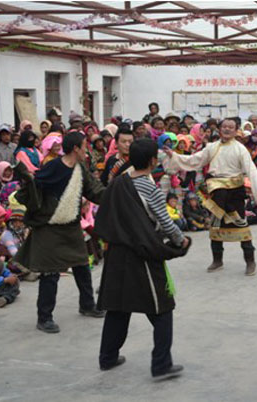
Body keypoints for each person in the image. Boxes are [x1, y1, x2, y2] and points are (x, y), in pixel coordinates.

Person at [94, 138, 190, 380]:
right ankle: (161, 365)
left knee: (118, 305)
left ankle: (107, 358)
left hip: (116, 253)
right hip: (141, 253)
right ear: (152, 161)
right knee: (162, 308)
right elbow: (167, 224)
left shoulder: (118, 184)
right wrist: (182, 241)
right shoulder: (150, 189)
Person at [13, 131, 107, 333]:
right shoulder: (53, 167)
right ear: (75, 149)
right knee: (50, 273)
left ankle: (87, 305)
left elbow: (95, 191)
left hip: (71, 225)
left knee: (82, 265)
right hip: (49, 227)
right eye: (84, 146)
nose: (86, 150)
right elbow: (34, 187)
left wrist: (116, 195)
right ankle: (44, 318)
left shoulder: (80, 169)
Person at [164, 118, 257, 276]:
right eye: (224, 127)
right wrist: (174, 156)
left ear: (236, 131)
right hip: (216, 192)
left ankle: (250, 261)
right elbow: (195, 160)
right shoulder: (212, 147)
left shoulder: (240, 149)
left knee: (241, 226)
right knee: (215, 226)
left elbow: (251, 170)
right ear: (220, 129)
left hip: (235, 193)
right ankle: (217, 260)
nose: (227, 130)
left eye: (231, 127)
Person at [0, 237, 20, 308]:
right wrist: (4, 280)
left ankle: (2, 298)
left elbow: (4, 271)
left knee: (16, 281)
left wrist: (11, 276)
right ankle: (7, 297)